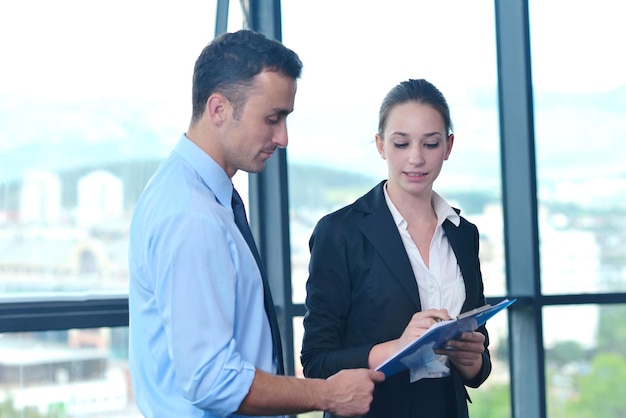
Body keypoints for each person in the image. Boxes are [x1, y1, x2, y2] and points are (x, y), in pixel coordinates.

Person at [128, 29, 384, 418]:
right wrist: (327, 394)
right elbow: (210, 379)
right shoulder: (191, 216)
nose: (282, 137)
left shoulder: (197, 196)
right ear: (218, 110)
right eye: (272, 119)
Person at [300, 78, 491, 418]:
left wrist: (474, 360)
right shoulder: (340, 232)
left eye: (430, 144)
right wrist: (397, 348)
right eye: (401, 143)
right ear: (380, 145)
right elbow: (317, 362)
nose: (416, 158)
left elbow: (479, 362)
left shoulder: (464, 234)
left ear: (448, 146)